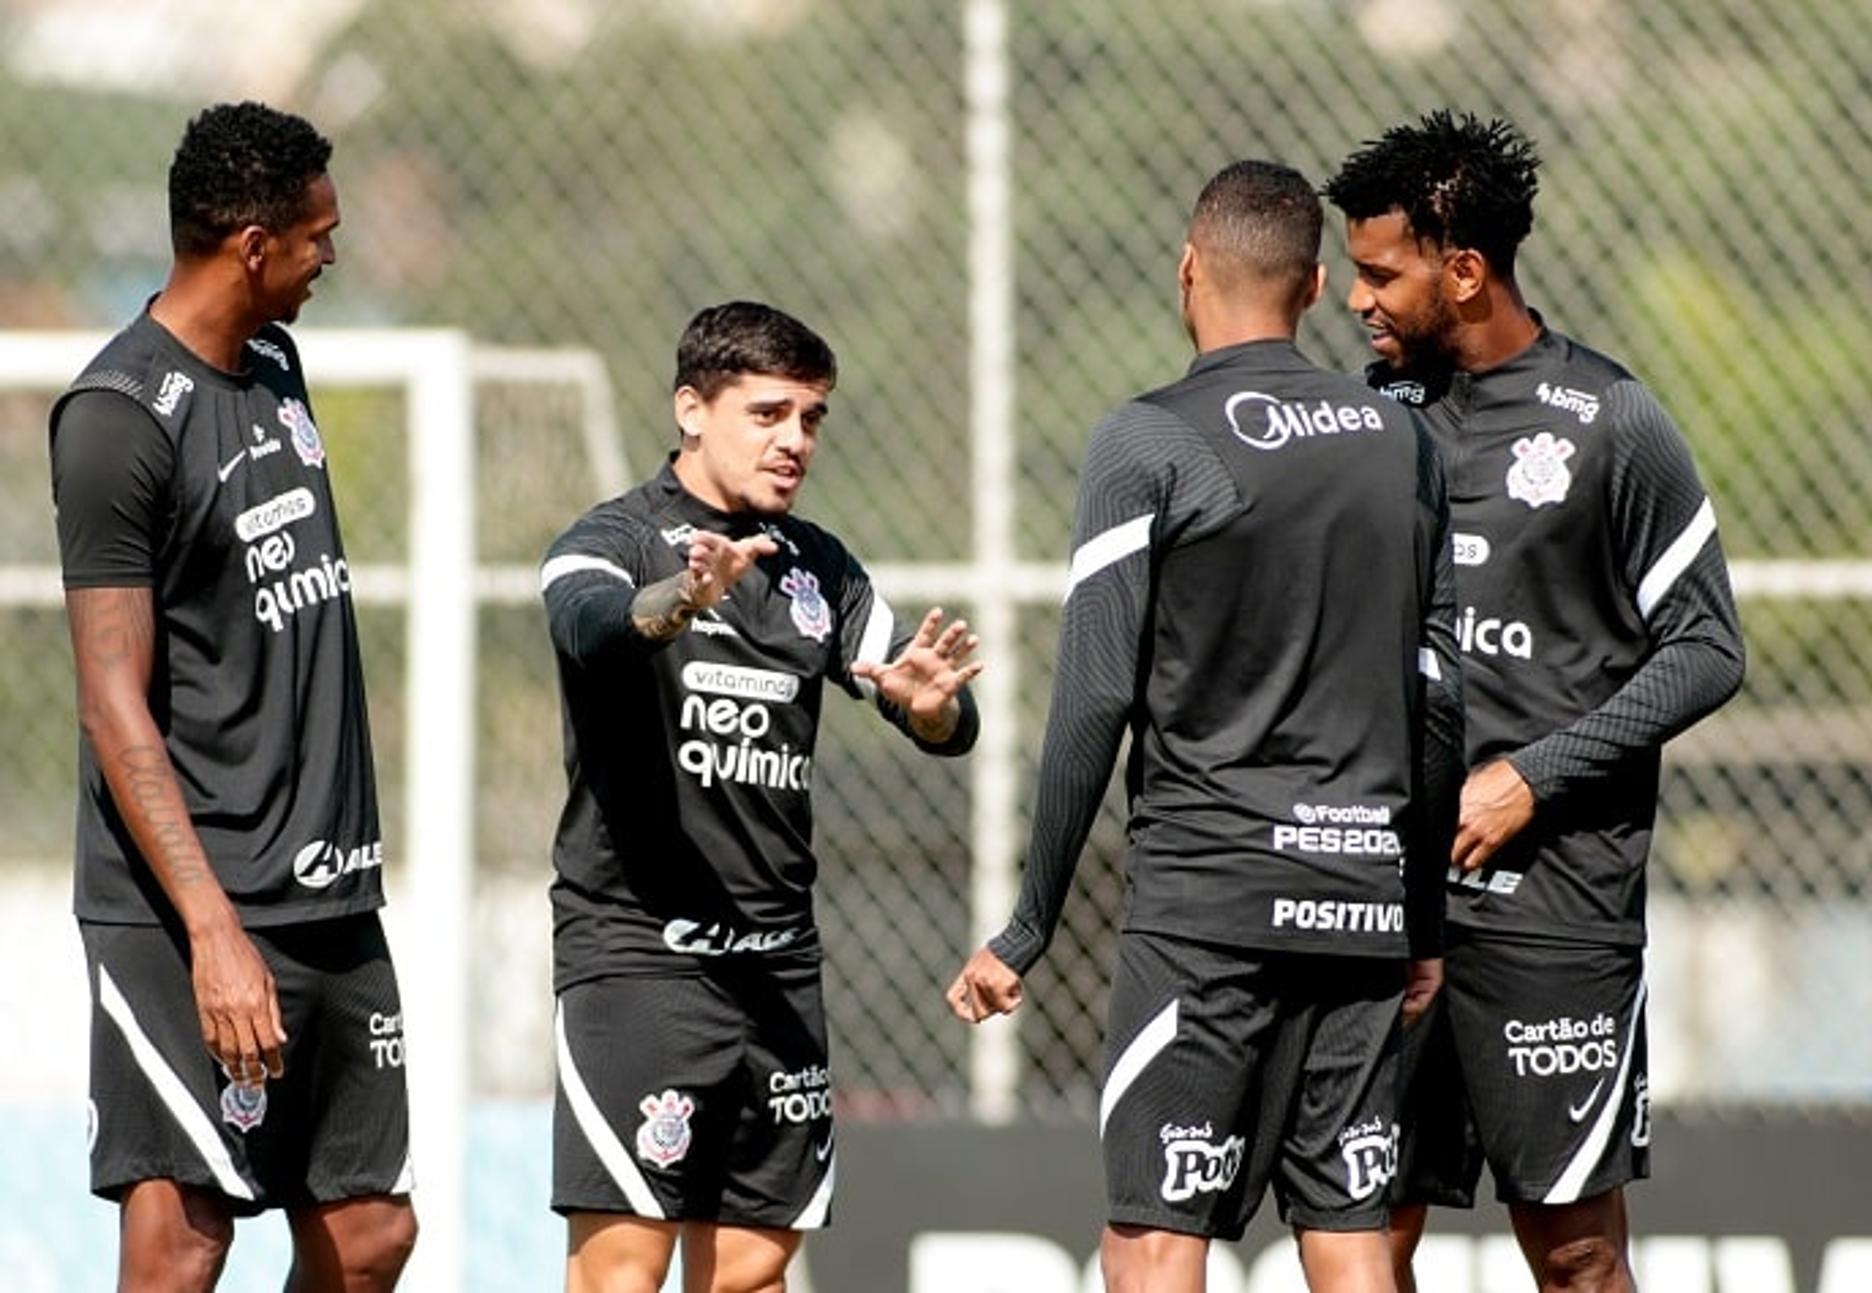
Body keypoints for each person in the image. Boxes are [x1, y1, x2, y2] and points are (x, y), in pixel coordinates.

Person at [947, 161, 1463, 1293]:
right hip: (1361, 903)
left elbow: (1093, 695)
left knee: (1152, 1239)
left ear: (1190, 267)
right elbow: (1438, 698)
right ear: (1318, 285)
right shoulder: (1401, 440)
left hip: (1208, 914)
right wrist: (1418, 916)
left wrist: (1031, 923)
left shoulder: (1147, 442)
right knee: (1351, 1235)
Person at [1324, 111, 1746, 1293]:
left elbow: (1710, 647)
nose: (1355, 300)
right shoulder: (1372, 421)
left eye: (1378, 274)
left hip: (1555, 904)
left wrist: (1532, 777)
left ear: (1463, 271)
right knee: (1365, 1236)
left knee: (1571, 1253)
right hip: (1386, 901)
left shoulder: (1611, 420)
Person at [540, 300, 983, 1293]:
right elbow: (587, 625)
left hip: (776, 970)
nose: (795, 442)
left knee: (749, 1274)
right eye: (769, 413)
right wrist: (684, 604)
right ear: (691, 409)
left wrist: (931, 710)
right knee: (621, 1275)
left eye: (812, 419)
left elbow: (935, 713)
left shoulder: (819, 568)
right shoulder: (614, 539)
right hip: (641, 964)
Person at [49, 102, 416, 1292]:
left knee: (368, 1238)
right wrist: (212, 932)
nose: (330, 257)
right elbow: (112, 701)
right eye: (318, 237)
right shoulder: (115, 419)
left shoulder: (274, 358)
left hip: (326, 889)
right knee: (184, 1242)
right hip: (188, 907)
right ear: (253, 245)